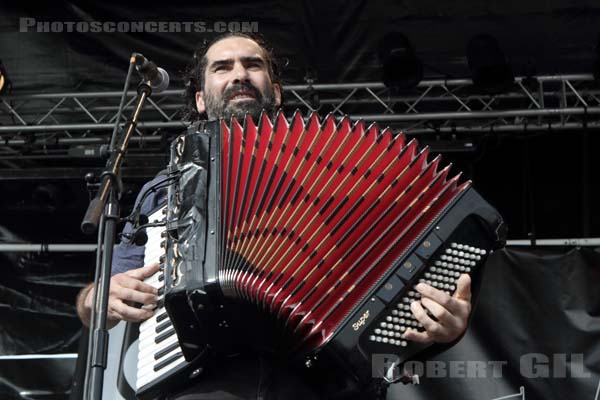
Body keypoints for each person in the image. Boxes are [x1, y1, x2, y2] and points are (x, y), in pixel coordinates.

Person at [75, 32, 473, 399]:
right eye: (222, 67)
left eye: (253, 64)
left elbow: (396, 285)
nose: (239, 75)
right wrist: (98, 298)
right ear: (200, 98)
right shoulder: (167, 189)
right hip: (207, 383)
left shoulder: (337, 166)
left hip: (322, 384)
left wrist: (442, 332)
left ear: (276, 91)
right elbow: (100, 300)